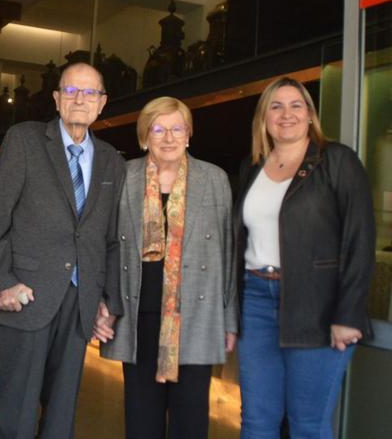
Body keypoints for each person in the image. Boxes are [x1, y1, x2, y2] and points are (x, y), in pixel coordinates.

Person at [0, 62, 125, 438]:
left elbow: (111, 238)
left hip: (79, 304)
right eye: (71, 91)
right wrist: (0, 281)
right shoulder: (25, 139)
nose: (80, 99)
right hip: (24, 296)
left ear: (102, 103)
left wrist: (107, 299)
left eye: (89, 92)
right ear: (57, 98)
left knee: (61, 422)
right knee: (17, 417)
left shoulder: (112, 159)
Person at [236, 77, 375, 438]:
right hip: (255, 301)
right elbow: (239, 241)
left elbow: (360, 240)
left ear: (310, 115)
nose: (287, 114)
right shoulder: (252, 168)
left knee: (307, 425)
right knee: (256, 421)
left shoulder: (336, 160)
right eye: (276, 106)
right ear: (263, 117)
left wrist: (348, 314)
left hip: (318, 304)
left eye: (296, 105)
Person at [98, 96, 237, 438]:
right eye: (158, 128)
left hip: (196, 318)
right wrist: (102, 301)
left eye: (177, 128)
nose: (169, 137)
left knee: (190, 421)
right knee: (141, 419)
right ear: (145, 135)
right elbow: (105, 245)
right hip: (137, 318)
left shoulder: (214, 179)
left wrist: (229, 317)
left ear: (189, 134)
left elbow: (228, 252)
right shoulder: (123, 176)